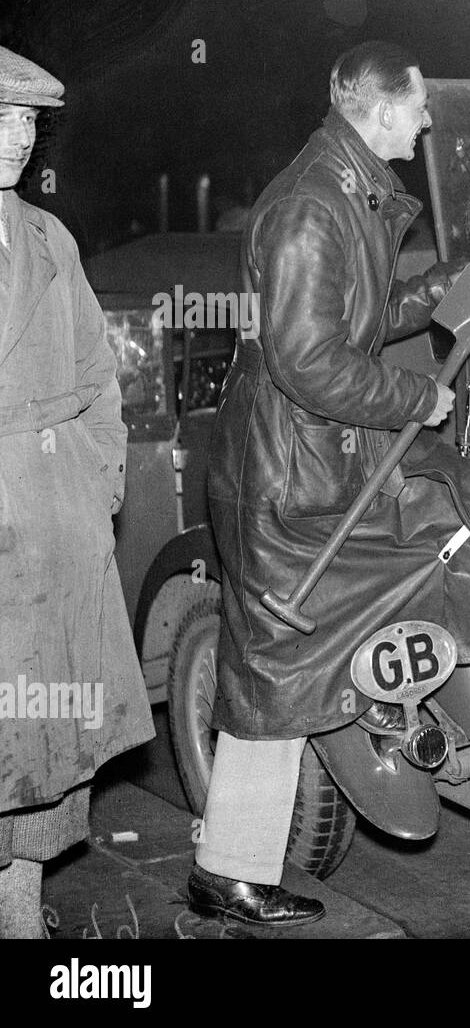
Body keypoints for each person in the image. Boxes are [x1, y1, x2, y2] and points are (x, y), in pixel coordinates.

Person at [191, 41, 470, 927]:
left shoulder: (348, 190)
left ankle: (463, 709)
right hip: (287, 476)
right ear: (377, 109)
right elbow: (308, 361)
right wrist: (420, 394)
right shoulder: (309, 207)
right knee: (276, 678)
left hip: (318, 460)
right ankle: (228, 871)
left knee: (412, 559)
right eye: (417, 106)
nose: (428, 119)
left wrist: (447, 284)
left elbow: (359, 315)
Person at [0, 47, 154, 938]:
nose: (17, 138)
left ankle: (21, 917)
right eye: (1, 118)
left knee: (45, 754)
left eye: (28, 121)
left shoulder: (51, 238)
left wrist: (94, 485)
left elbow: (100, 377)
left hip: (55, 532)